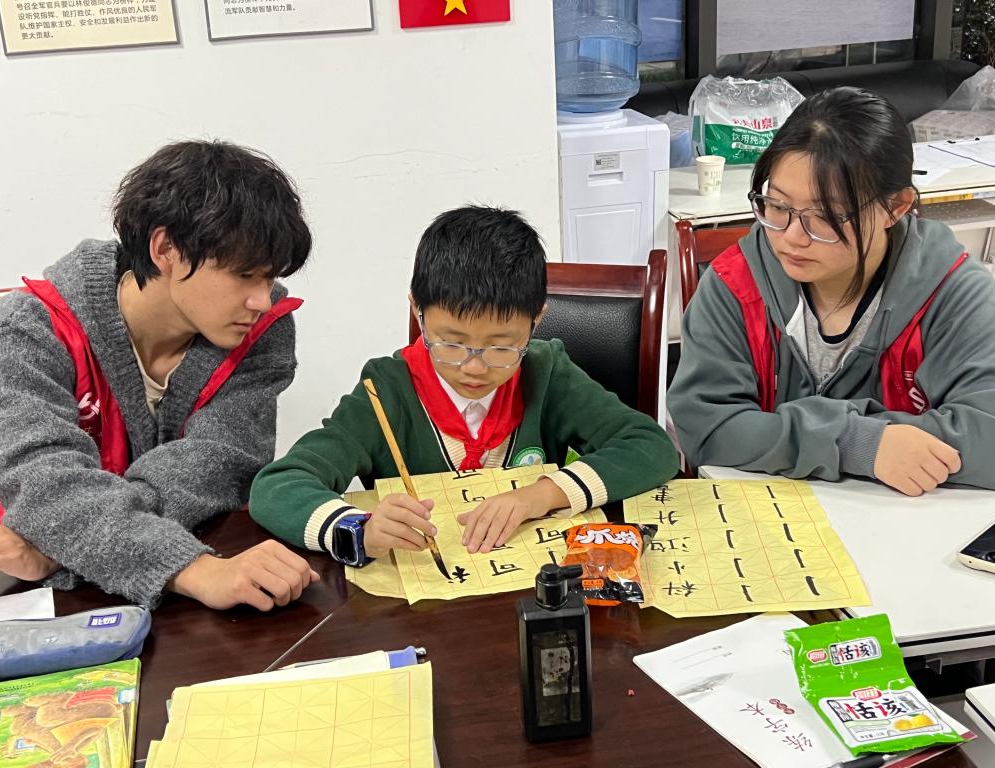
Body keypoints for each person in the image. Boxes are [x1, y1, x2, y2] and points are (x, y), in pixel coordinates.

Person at [0, 140, 320, 610]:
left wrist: (62, 544)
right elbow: (43, 482)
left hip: (106, 569)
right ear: (165, 249)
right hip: (40, 601)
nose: (262, 300)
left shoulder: (264, 328)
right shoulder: (25, 329)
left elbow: (219, 467)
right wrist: (191, 569)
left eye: (269, 277)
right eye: (245, 275)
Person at [249, 205, 678, 565]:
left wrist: (540, 495)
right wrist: (358, 529)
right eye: (451, 343)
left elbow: (650, 446)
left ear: (537, 321)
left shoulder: (546, 374)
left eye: (502, 347)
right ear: (417, 311)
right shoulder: (386, 392)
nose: (474, 367)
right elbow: (277, 487)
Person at [669, 87, 995, 495]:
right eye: (778, 206)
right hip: (772, 519)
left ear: (895, 207)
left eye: (825, 216)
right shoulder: (736, 286)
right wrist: (857, 442)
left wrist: (776, 436)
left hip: (903, 522)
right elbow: (706, 430)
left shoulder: (951, 292)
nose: (792, 237)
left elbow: (994, 440)